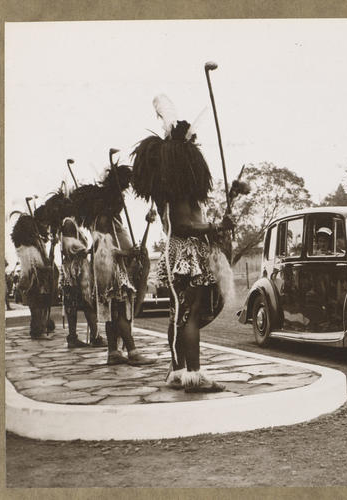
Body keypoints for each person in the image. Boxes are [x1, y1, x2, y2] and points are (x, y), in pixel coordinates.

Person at [131, 94, 234, 393]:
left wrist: (215, 229)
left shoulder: (174, 189)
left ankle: (178, 372)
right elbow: (183, 225)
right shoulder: (176, 192)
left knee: (180, 314)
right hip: (186, 252)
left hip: (184, 252)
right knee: (189, 313)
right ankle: (194, 375)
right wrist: (216, 226)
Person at [71, 164, 155, 366]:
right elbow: (107, 249)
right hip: (114, 272)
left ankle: (113, 351)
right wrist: (129, 253)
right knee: (120, 309)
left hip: (110, 271)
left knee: (112, 312)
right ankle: (133, 352)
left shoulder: (106, 220)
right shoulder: (103, 220)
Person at [60, 217, 106, 348]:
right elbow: (83, 253)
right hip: (77, 278)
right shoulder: (69, 243)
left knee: (75, 308)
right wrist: (94, 245)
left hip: (74, 278)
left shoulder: (66, 241)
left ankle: (77, 337)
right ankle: (94, 337)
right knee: (87, 306)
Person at [10, 214, 54, 340]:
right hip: (33, 281)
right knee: (36, 307)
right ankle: (36, 331)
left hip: (37, 279)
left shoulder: (32, 245)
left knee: (38, 306)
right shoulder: (25, 248)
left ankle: (40, 328)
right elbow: (30, 266)